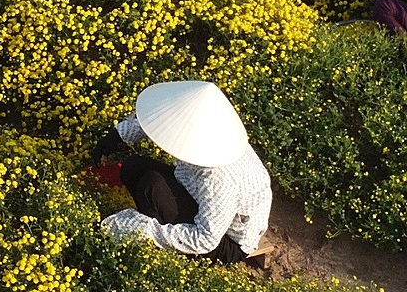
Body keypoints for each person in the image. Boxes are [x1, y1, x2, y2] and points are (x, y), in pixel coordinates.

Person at [91, 81, 272, 264]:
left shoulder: (218, 176)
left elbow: (206, 239)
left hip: (225, 240)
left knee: (151, 186)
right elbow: (163, 118)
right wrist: (118, 135)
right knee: (133, 167)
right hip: (199, 196)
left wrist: (145, 230)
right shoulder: (212, 130)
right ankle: (159, 230)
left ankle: (156, 254)